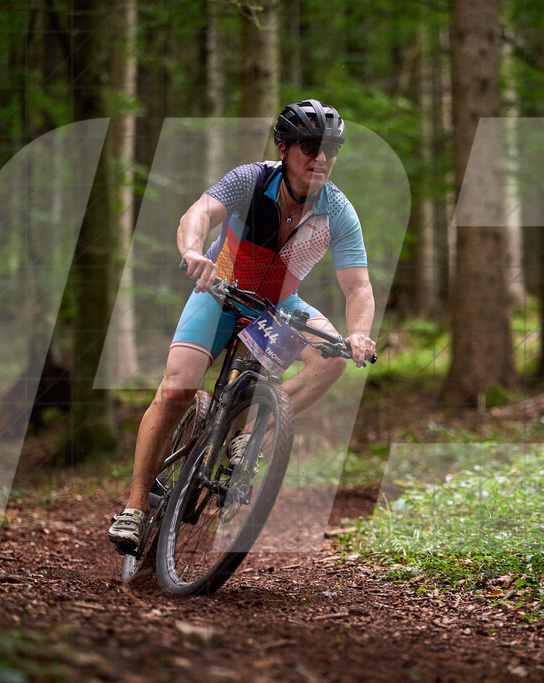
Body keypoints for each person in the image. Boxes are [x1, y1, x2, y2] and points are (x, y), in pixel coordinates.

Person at [108, 100, 376, 552]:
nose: (322, 158)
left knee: (331, 361)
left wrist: (359, 333)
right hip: (220, 290)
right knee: (176, 391)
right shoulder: (251, 179)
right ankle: (134, 508)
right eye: (309, 147)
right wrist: (194, 251)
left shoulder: (339, 211)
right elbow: (198, 213)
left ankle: (245, 436)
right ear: (284, 147)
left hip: (275, 306)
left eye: (331, 149)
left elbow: (359, 287)